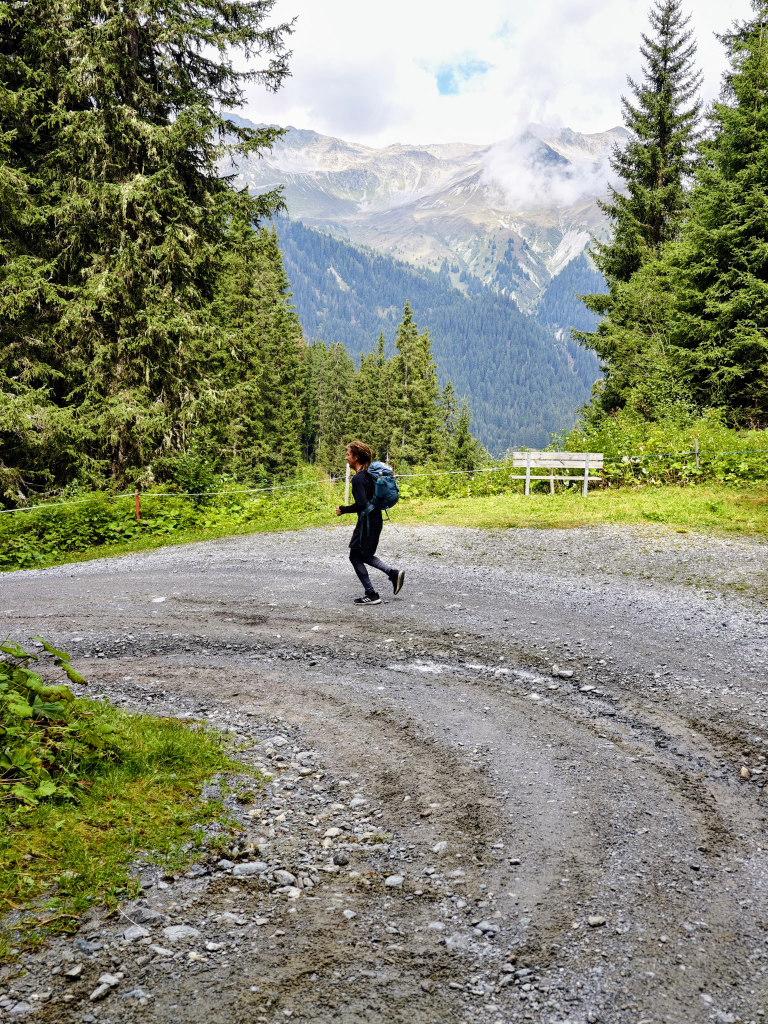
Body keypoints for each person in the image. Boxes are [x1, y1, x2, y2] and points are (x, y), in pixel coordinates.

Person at [336, 441, 405, 605]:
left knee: (355, 556)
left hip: (367, 522)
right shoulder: (368, 475)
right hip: (374, 519)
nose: (346, 457)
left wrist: (343, 509)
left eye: (347, 454)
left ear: (356, 457)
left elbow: (360, 504)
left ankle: (372, 594)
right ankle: (392, 574)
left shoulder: (359, 478)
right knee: (363, 555)